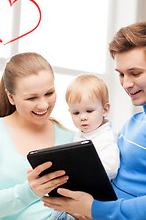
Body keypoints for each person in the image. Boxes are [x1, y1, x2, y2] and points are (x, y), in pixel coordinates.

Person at [41, 20, 146, 220]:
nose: (126, 83)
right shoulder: (137, 120)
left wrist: (95, 209)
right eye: (121, 74)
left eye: (135, 73)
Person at [0, 52, 75, 220]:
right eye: (32, 97)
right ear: (11, 97)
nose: (43, 105)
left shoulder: (72, 138)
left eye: (49, 93)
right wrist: (30, 191)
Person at [49, 74, 120, 220]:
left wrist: (84, 175)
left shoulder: (107, 137)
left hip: (96, 199)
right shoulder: (81, 134)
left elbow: (111, 168)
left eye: (89, 111)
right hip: (76, 195)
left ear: (105, 110)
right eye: (76, 112)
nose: (82, 117)